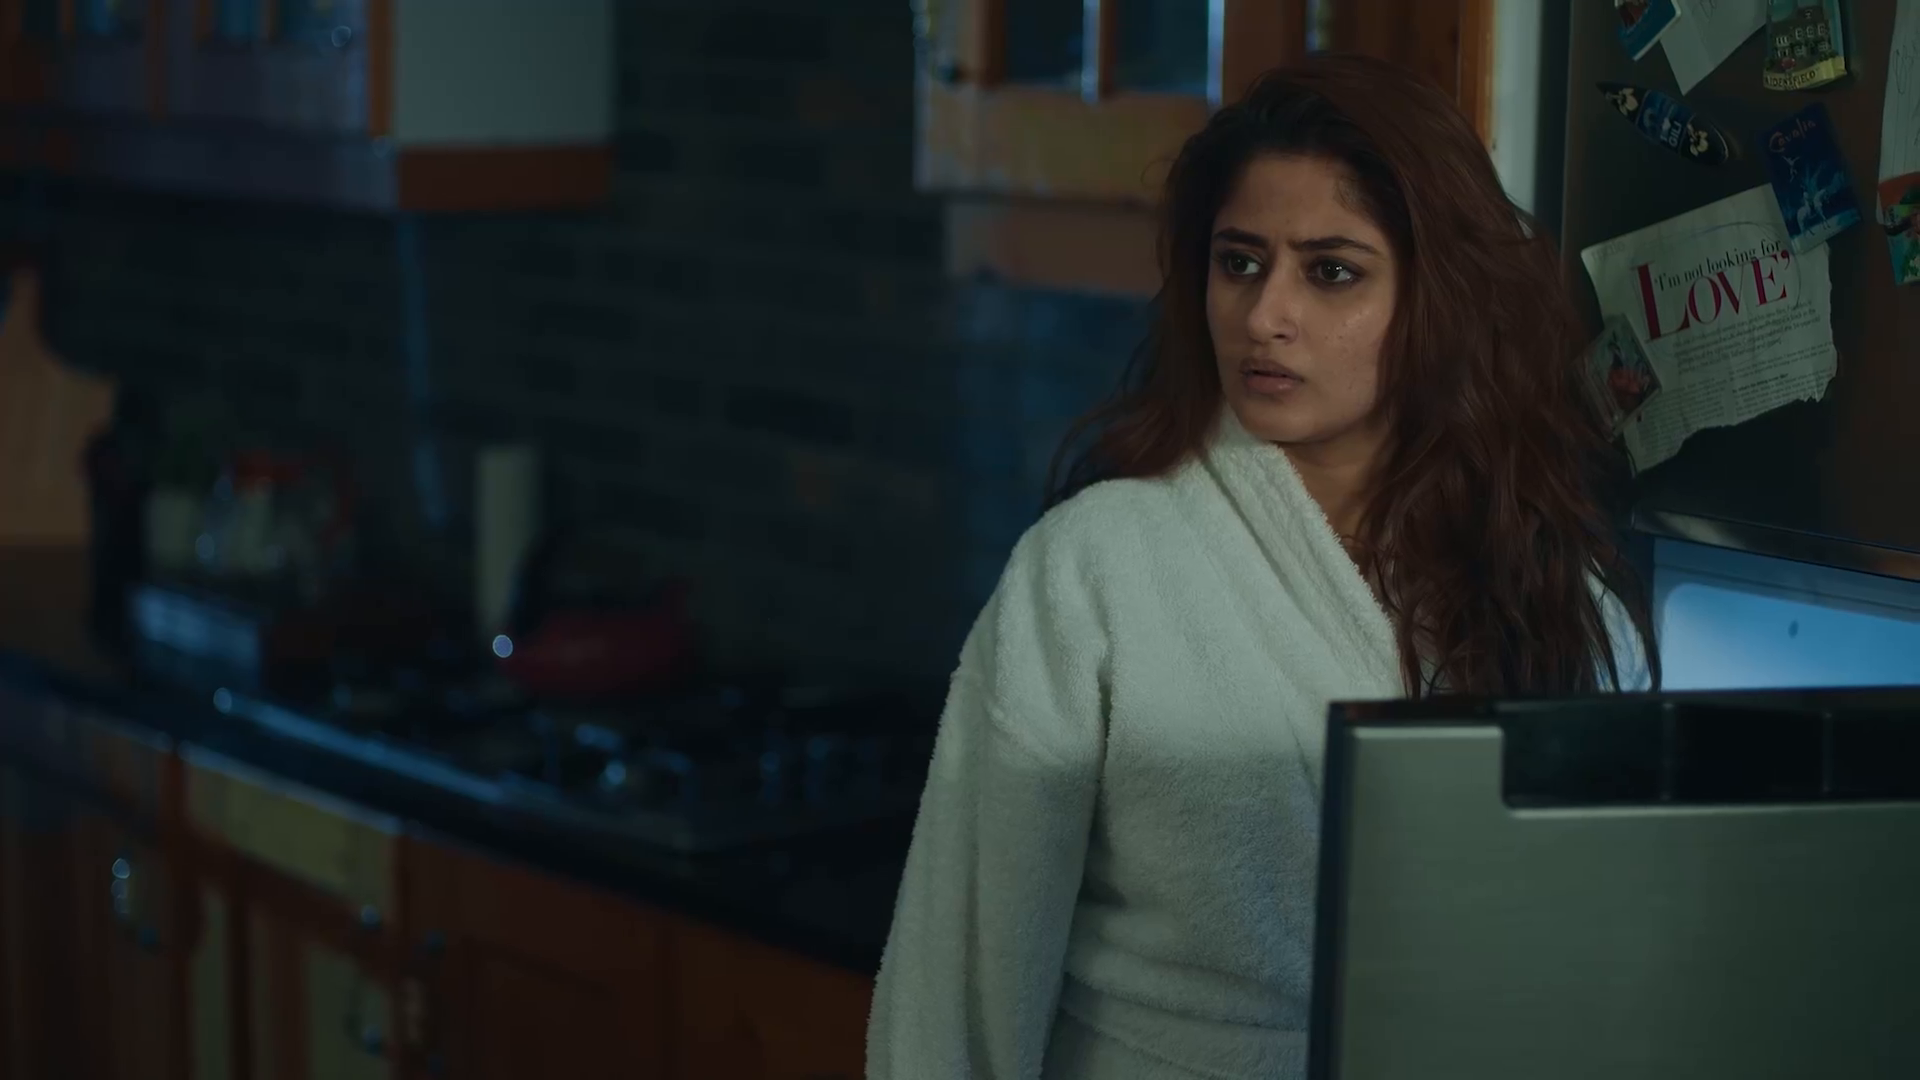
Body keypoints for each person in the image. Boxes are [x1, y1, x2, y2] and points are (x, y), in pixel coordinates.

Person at [866, 54, 1660, 1080]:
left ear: (1439, 299)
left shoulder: (1564, 600)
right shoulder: (1094, 568)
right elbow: (957, 987)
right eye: (1239, 263)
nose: (1264, 315)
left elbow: (1602, 979)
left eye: (1331, 272)